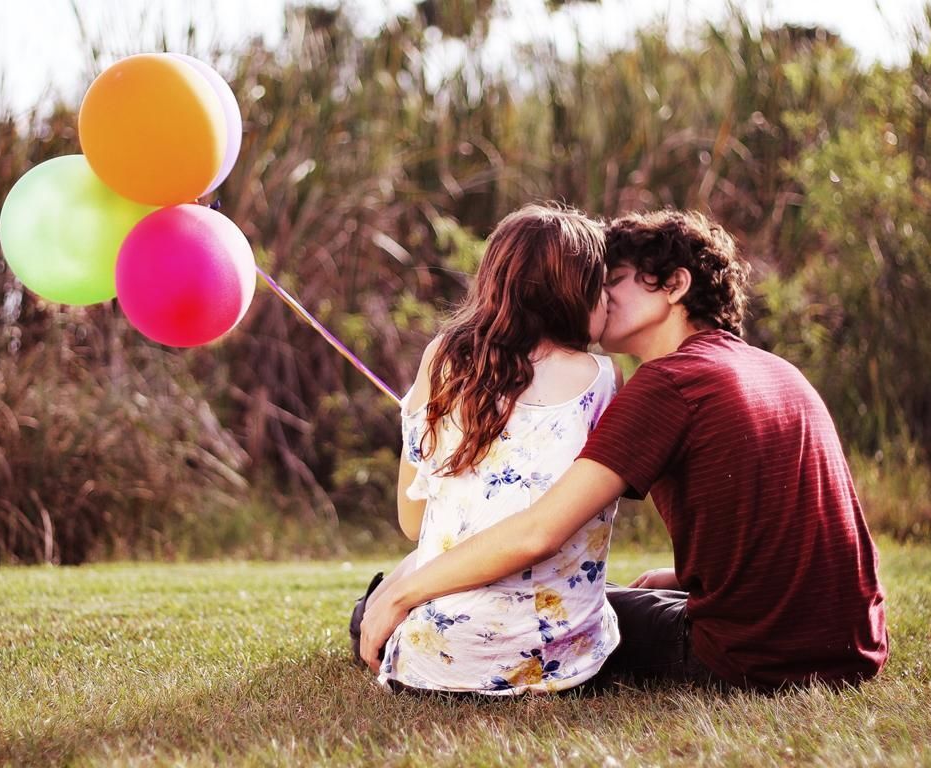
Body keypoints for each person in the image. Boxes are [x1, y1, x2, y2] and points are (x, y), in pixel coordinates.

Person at [360, 209, 888, 691]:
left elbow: (540, 532)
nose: (601, 297)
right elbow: (799, 530)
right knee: (616, 595)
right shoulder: (772, 370)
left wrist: (404, 593)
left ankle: (383, 603)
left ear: (675, 285)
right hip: (853, 646)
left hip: (750, 660)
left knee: (553, 608)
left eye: (612, 282)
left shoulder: (668, 384)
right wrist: (684, 580)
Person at [351, 203, 626, 696]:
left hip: (441, 656)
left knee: (388, 591)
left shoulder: (442, 358)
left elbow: (413, 524)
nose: (608, 300)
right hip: (563, 658)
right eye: (600, 285)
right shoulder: (603, 377)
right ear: (573, 292)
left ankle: (373, 614)